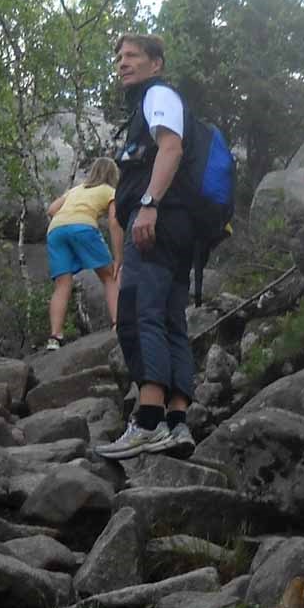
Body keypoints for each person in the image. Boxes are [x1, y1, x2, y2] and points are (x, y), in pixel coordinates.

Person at [95, 33, 197, 461]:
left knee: (140, 314)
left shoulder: (157, 95)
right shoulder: (151, 102)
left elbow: (170, 148)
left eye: (132, 56)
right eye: (119, 56)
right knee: (171, 319)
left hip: (155, 224)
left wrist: (149, 205)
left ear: (156, 63)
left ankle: (148, 420)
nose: (122, 62)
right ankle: (176, 424)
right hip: (177, 228)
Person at [44, 157, 124, 350]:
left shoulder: (76, 189)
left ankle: (55, 337)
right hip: (83, 227)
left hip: (55, 230)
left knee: (62, 284)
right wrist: (118, 255)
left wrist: (68, 220)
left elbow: (51, 209)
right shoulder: (110, 191)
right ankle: (117, 324)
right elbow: (115, 222)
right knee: (109, 276)